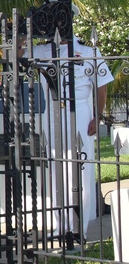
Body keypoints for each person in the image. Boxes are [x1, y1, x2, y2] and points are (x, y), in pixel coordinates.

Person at [30, 20, 112, 239]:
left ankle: (78, 228)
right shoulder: (43, 50)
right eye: (53, 22)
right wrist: (23, 30)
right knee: (56, 169)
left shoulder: (87, 51)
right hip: (52, 110)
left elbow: (101, 84)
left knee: (81, 170)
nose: (57, 26)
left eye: (60, 20)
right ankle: (60, 227)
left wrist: (98, 114)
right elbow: (17, 55)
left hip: (81, 110)